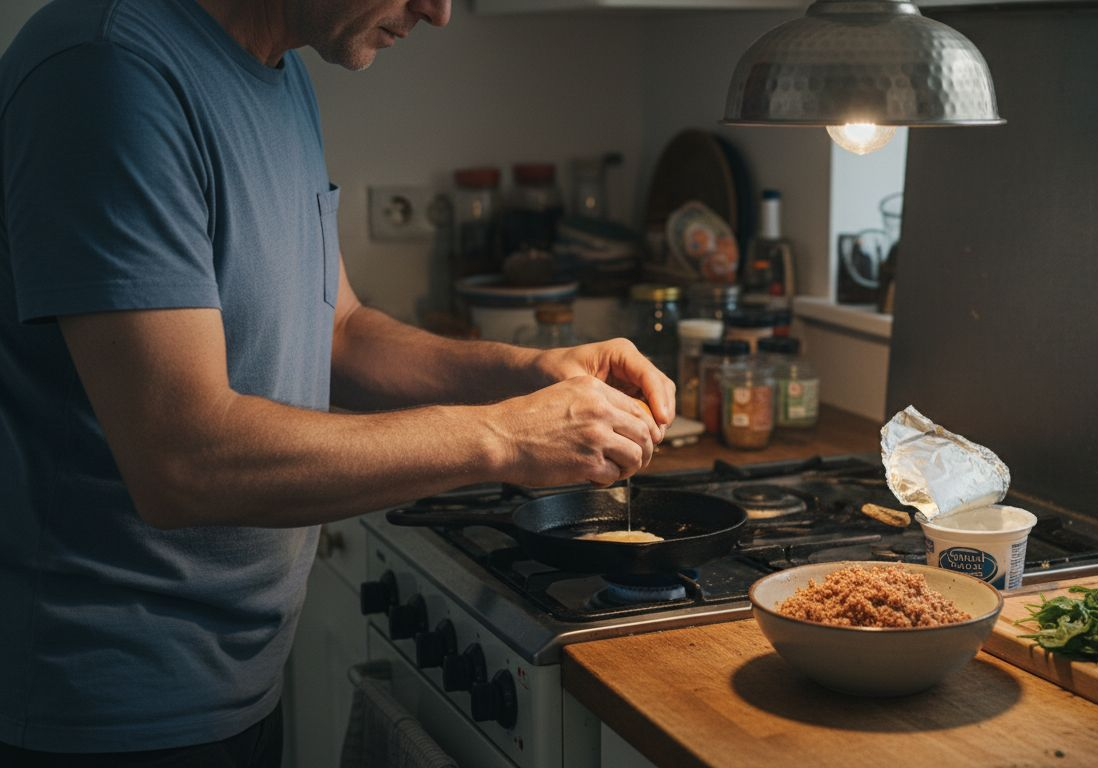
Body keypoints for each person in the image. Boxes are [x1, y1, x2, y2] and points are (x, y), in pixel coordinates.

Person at [0, 0, 674, 764]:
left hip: (236, 675)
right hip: (98, 705)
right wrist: (505, 435)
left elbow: (338, 331)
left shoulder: (281, 73)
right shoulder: (107, 71)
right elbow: (183, 460)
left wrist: (527, 372)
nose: (438, 12)